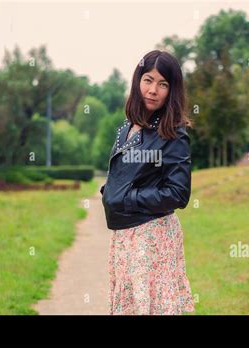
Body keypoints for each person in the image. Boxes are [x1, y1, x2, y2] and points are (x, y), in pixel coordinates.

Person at [100, 50, 195, 315]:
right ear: (137, 81)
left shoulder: (173, 133)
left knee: (153, 307)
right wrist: (109, 192)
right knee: (131, 305)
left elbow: (178, 193)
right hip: (124, 235)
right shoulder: (127, 127)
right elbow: (125, 174)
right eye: (148, 80)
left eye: (163, 84)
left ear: (172, 90)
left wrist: (126, 198)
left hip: (153, 235)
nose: (153, 90)